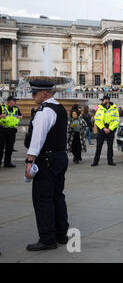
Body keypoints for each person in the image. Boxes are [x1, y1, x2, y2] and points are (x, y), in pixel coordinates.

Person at [24, 80, 69, 251]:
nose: (32, 96)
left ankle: (47, 238)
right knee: (57, 196)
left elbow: (37, 140)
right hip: (60, 157)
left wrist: (29, 162)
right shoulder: (60, 108)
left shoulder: (44, 111)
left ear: (44, 94)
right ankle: (61, 233)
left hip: (47, 159)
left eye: (34, 93)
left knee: (43, 199)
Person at [91, 95, 120, 167]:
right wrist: (103, 128)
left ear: (107, 100)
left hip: (111, 129)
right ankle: (95, 161)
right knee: (99, 146)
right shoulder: (100, 108)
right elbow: (97, 120)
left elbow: (116, 120)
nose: (102, 102)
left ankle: (110, 161)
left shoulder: (114, 108)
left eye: (103, 100)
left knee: (110, 146)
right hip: (102, 129)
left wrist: (110, 129)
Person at [0, 96, 22, 168]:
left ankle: (7, 163)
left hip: (12, 130)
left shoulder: (16, 108)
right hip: (2, 129)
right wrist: (0, 116)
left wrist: (20, 117)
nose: (15, 102)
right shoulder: (2, 107)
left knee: (9, 148)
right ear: (9, 101)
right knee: (0, 147)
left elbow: (20, 115)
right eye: (14, 100)